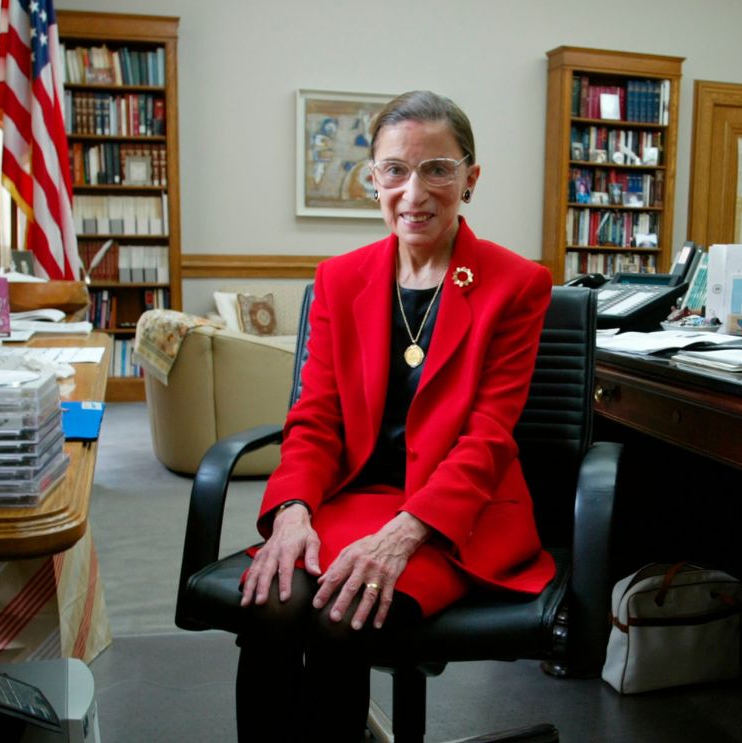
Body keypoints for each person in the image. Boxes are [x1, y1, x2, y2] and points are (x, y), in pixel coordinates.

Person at [235, 90, 555, 741]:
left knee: (336, 613)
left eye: (437, 168)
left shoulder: (510, 284)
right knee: (269, 603)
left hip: (454, 515)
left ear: (470, 178)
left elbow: (487, 436)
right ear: (372, 179)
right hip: (350, 501)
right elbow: (314, 416)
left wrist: (404, 534)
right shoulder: (340, 279)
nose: (414, 191)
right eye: (394, 170)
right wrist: (293, 510)